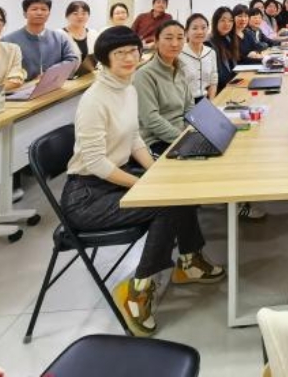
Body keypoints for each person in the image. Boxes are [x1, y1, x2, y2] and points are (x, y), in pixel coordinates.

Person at [63, 26, 225, 337]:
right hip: (87, 195)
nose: (128, 58)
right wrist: (143, 186)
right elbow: (95, 163)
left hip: (116, 178)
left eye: (133, 51)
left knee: (176, 185)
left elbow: (135, 138)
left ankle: (189, 260)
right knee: (164, 203)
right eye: (119, 53)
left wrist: (155, 172)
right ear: (105, 59)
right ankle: (138, 290)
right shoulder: (94, 99)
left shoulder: (127, 88)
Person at [133, 21, 198, 156]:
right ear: (156, 41)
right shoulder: (144, 75)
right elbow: (150, 118)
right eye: (168, 38)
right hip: (157, 141)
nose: (174, 43)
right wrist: (182, 138)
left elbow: (189, 106)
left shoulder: (180, 68)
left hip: (182, 135)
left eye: (180, 38)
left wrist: (191, 132)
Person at [2, 0, 80, 80]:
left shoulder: (60, 38)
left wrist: (51, 73)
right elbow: (2, 70)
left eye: (44, 9)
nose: (39, 13)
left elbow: (72, 60)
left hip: (54, 84)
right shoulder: (8, 41)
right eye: (34, 9)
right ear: (25, 14)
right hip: (22, 86)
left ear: (49, 14)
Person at [181, 13, 218, 102]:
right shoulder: (179, 53)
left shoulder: (211, 52)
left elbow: (213, 81)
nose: (200, 32)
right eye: (195, 28)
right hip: (183, 102)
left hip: (204, 100)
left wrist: (211, 102)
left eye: (203, 28)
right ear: (186, 32)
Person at [207, 7, 238, 93]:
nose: (227, 24)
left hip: (232, 85)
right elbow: (216, 75)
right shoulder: (209, 43)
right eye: (223, 20)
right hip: (219, 90)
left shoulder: (229, 39)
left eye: (230, 21)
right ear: (215, 21)